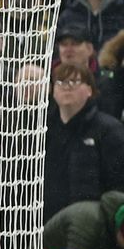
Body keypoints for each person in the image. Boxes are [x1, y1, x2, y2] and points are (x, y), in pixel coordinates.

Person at [42, 63, 124, 222]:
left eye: (74, 81)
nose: (66, 87)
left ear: (89, 90)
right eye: (60, 82)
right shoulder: (44, 130)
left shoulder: (109, 130)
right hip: (46, 224)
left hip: (90, 226)